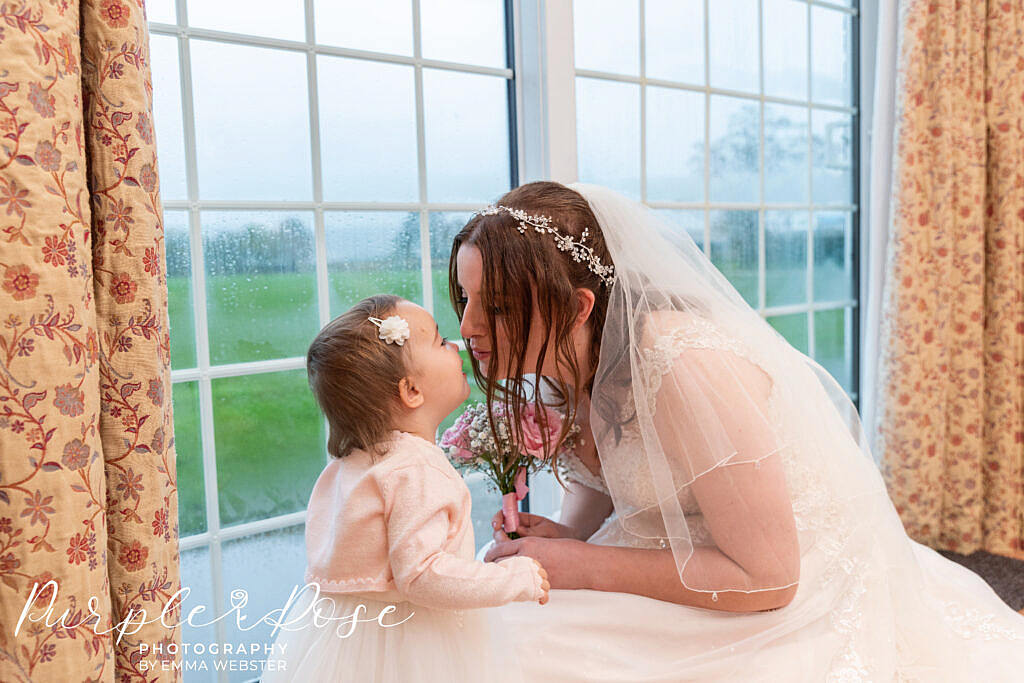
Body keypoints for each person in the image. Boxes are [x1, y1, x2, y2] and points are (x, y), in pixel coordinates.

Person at [448, 181, 1024, 682]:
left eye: (492, 306)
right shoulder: (572, 355)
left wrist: (589, 566)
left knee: (531, 655)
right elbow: (613, 465)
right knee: (495, 636)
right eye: (465, 297)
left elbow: (770, 578)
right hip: (674, 553)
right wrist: (567, 533)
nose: (468, 326)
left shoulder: (682, 365)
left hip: (779, 583)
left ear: (578, 307)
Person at [260, 294, 549, 683]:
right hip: (412, 640)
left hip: (338, 636)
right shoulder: (418, 469)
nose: (456, 345)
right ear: (411, 391)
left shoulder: (352, 464)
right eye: (441, 341)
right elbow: (423, 575)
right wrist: (516, 578)